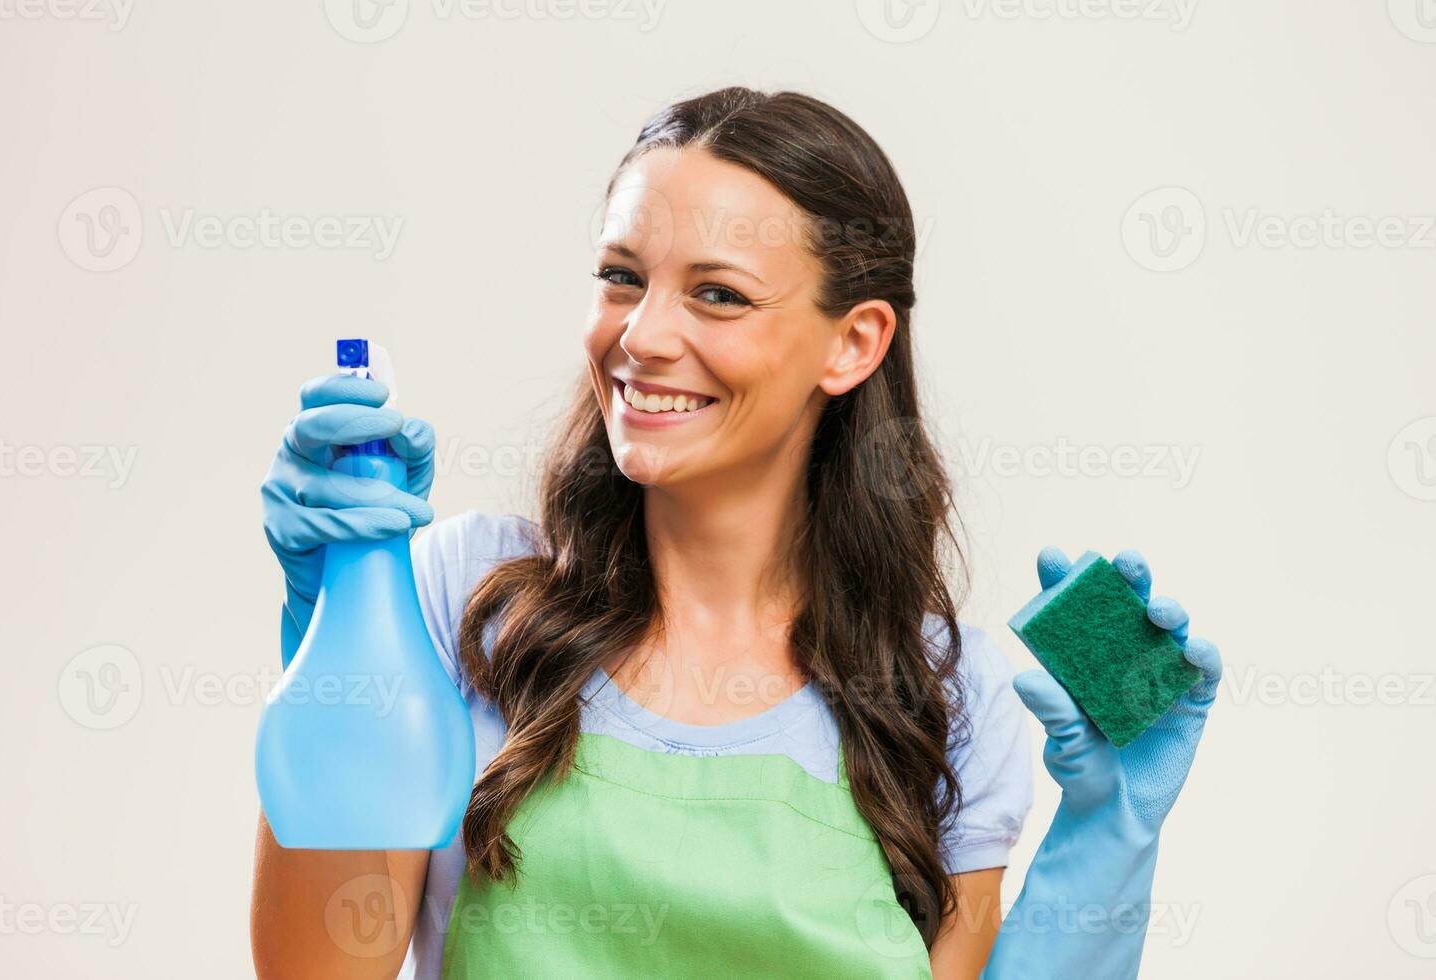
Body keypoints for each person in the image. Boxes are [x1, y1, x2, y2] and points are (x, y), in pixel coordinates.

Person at [252, 87, 1220, 980]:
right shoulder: (469, 596)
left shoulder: (937, 693)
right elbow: (319, 969)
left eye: (717, 293)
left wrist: (1108, 831)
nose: (641, 335)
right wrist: (337, 629)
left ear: (853, 342)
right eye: (622, 276)